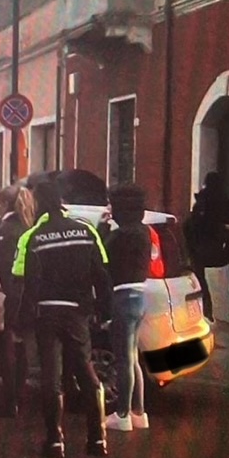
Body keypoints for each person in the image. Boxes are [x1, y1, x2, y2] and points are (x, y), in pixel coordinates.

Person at [14, 180, 113, 458]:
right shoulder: (86, 231)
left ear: (40, 205)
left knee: (51, 375)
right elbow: (101, 274)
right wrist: (104, 311)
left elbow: (30, 285)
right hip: (77, 312)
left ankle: (55, 440)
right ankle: (97, 439)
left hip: (47, 313)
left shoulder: (36, 237)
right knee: (85, 370)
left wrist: (21, 323)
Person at [102, 183, 153, 432]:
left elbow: (100, 252)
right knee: (132, 358)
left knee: (123, 359)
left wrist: (102, 226)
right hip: (140, 297)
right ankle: (138, 412)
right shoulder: (143, 232)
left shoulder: (121, 235)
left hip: (122, 297)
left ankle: (121, 414)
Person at [0, 185, 28, 418]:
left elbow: (2, 265)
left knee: (5, 349)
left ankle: (10, 402)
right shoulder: (27, 226)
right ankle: (19, 396)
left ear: (6, 204)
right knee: (20, 348)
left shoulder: (4, 229)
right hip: (26, 296)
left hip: (7, 296)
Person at [184, 171, 229, 322]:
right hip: (213, 250)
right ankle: (206, 314)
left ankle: (206, 314)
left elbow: (191, 226)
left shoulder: (202, 203)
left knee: (200, 283)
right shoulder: (219, 203)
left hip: (198, 250)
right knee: (200, 283)